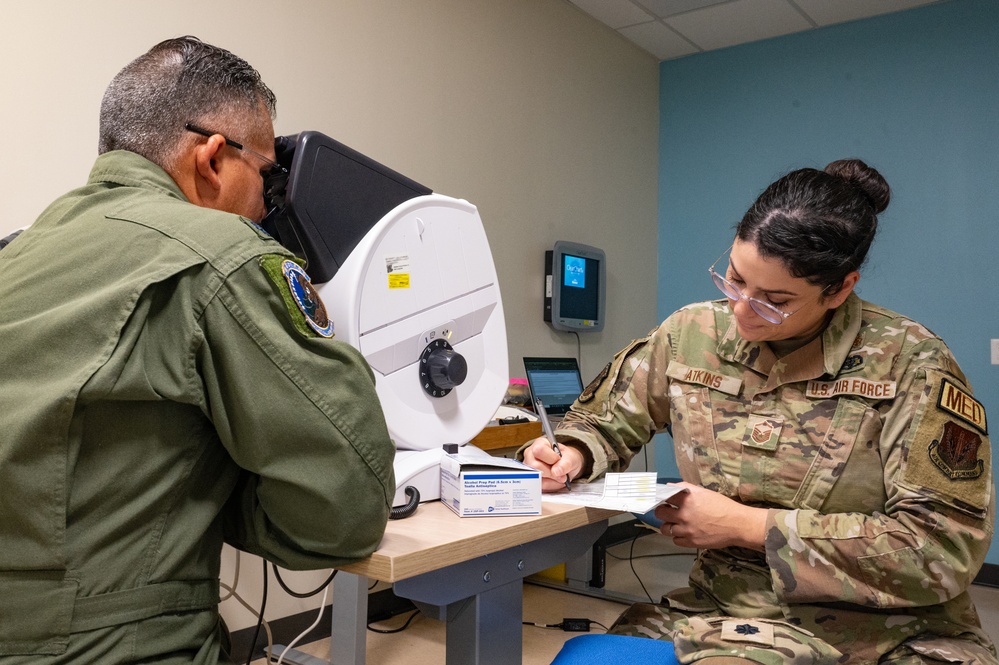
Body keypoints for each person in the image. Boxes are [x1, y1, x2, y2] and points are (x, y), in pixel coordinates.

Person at [0, 37, 396, 664]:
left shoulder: (17, 253)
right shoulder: (224, 254)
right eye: (266, 175)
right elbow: (346, 506)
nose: (268, 203)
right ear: (212, 159)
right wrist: (226, 504)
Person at [523, 159, 996, 663]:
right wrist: (571, 451)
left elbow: (942, 548)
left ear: (840, 288)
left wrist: (745, 526)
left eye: (775, 300)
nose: (743, 309)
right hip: (721, 617)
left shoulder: (911, 362)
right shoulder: (691, 334)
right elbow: (604, 420)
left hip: (889, 632)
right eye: (733, 279)